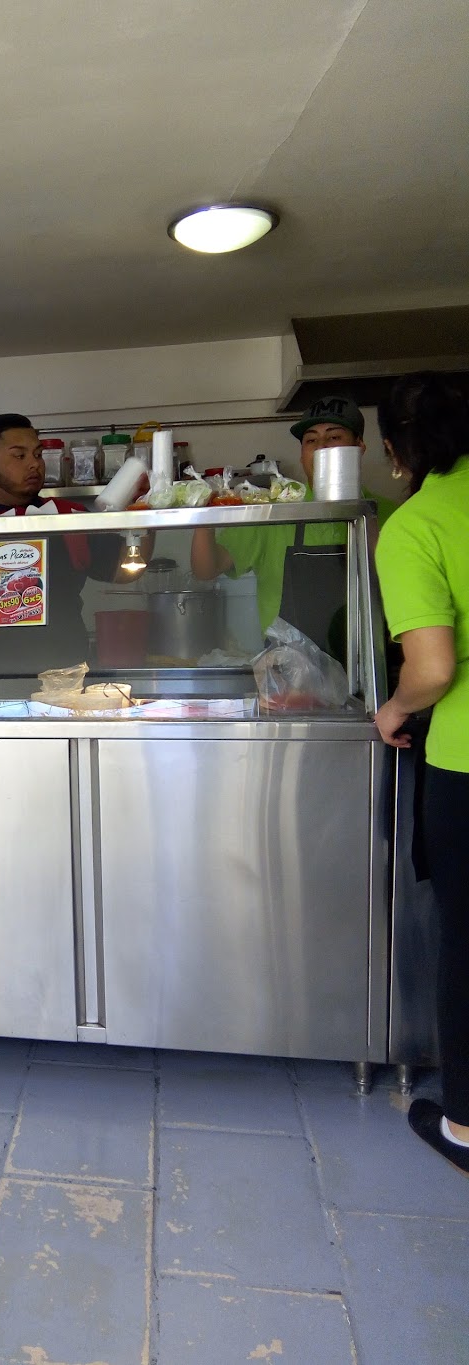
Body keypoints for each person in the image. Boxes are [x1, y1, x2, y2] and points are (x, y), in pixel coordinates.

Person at [373, 372, 469, 1176]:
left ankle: (464, 1125)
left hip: (466, 759)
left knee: (465, 938)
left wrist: (394, 708)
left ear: (395, 453)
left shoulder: (416, 524)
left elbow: (432, 666)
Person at [0, 413, 129, 678]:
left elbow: (124, 571)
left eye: (37, 454)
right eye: (19, 456)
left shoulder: (69, 517)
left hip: (61, 682)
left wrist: (145, 515)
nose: (34, 464)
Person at [190, 396, 398, 646]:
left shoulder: (392, 515)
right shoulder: (274, 513)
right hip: (289, 664)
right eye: (311, 440)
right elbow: (205, 570)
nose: (321, 447)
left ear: (359, 446)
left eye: (334, 437)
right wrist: (204, 514)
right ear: (302, 455)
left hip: (366, 662)